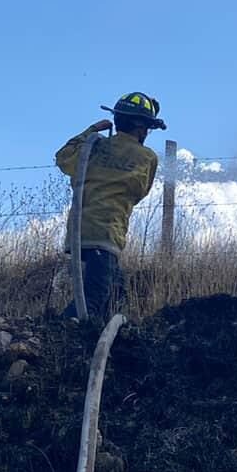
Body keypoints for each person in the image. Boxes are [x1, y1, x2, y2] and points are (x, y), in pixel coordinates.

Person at [56, 92, 166, 325]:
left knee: (116, 295)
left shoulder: (93, 148)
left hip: (79, 232)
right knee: (93, 299)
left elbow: (63, 158)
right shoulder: (146, 157)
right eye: (147, 128)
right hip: (106, 235)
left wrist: (91, 131)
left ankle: (107, 336)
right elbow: (139, 192)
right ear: (141, 127)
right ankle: (58, 333)